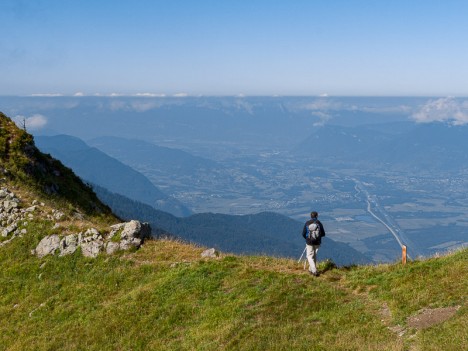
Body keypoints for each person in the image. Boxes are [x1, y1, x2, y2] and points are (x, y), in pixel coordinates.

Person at [302, 211, 326, 276]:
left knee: (309, 256)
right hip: (317, 242)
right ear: (317, 216)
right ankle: (311, 270)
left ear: (311, 216)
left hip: (309, 242)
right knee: (314, 255)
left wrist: (307, 238)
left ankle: (314, 270)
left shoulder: (307, 223)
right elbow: (323, 234)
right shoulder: (319, 223)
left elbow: (303, 233)